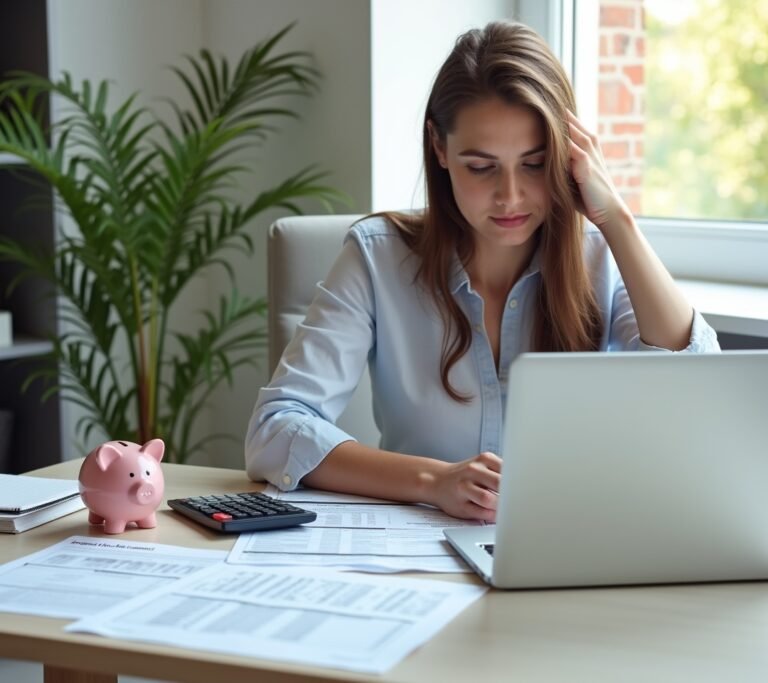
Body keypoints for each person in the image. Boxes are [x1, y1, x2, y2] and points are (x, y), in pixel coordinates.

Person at [245, 20, 719, 522]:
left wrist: (616, 219)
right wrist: (435, 481)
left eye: (534, 164)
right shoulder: (376, 258)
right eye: (481, 166)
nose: (510, 196)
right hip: (416, 551)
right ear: (440, 148)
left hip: (571, 541)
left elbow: (698, 391)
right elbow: (273, 431)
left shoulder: (599, 256)